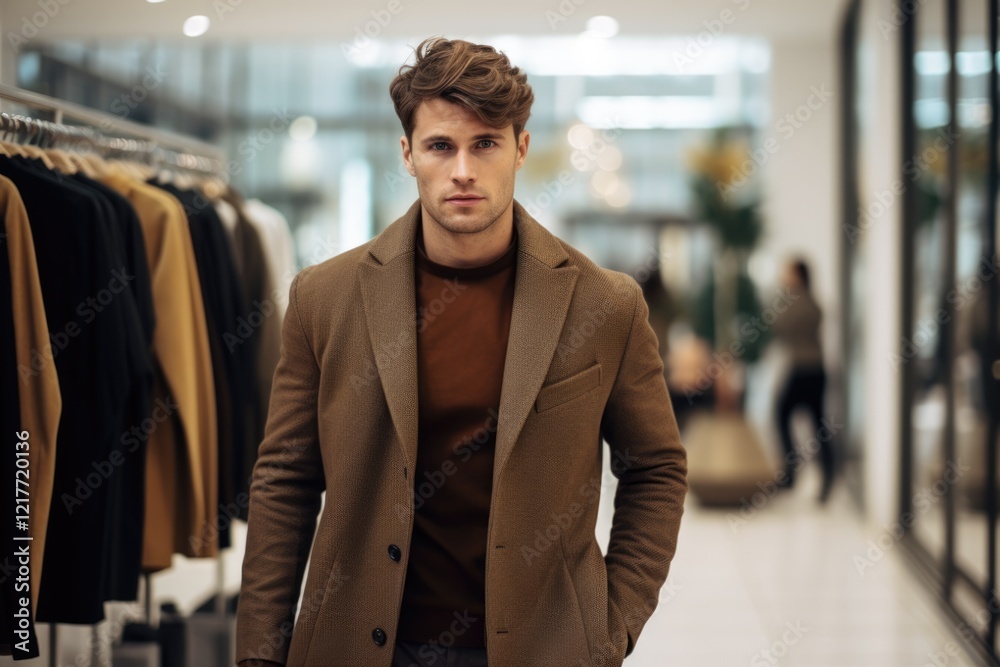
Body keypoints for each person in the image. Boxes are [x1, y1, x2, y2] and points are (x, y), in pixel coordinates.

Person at [234, 37, 688, 667]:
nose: (464, 171)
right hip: (357, 644)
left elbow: (656, 468)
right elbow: (284, 478)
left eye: (486, 144)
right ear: (408, 154)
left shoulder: (604, 304)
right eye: (441, 146)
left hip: (543, 648)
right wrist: (260, 652)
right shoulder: (325, 298)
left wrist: (607, 629)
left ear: (520, 148)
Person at [772, 257, 833, 502]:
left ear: (798, 276)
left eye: (788, 273)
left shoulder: (799, 302)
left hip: (804, 368)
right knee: (816, 423)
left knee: (784, 413)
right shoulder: (811, 302)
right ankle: (818, 474)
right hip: (812, 368)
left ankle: (793, 472)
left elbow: (780, 326)